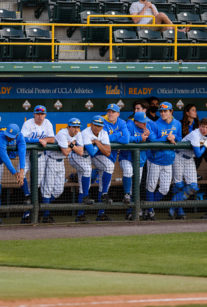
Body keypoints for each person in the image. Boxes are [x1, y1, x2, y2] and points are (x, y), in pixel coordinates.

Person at [41, 117, 90, 223]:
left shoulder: (78, 134)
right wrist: (73, 145)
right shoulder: (62, 133)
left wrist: (71, 144)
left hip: (61, 162)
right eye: (74, 127)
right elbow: (66, 152)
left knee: (59, 190)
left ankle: (42, 206)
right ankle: (46, 215)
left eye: (78, 127)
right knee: (48, 189)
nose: (76, 129)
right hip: (51, 160)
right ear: (69, 127)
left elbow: (81, 152)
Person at [146, 102, 182, 220]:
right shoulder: (155, 124)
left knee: (165, 189)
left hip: (169, 160)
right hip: (155, 160)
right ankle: (150, 211)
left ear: (171, 112)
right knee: (151, 186)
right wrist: (167, 139)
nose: (162, 113)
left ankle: (145, 207)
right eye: (161, 111)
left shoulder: (177, 123)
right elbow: (152, 141)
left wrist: (174, 138)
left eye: (165, 111)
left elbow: (180, 139)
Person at [119, 112, 156, 220]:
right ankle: (126, 195)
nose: (145, 124)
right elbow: (126, 139)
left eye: (145, 122)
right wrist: (139, 139)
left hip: (140, 161)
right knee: (128, 172)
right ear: (136, 122)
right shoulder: (129, 125)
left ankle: (132, 211)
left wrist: (149, 136)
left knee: (136, 187)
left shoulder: (147, 126)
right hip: (126, 158)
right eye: (142, 122)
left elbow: (153, 139)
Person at [171, 118, 207, 219]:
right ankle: (179, 211)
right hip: (179, 156)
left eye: (206, 127)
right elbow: (199, 154)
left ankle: (173, 204)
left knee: (194, 186)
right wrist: (205, 145)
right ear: (199, 126)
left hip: (189, 159)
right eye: (203, 126)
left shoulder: (205, 136)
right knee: (179, 185)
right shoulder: (195, 134)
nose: (204, 129)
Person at [21, 105, 55, 206]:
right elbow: (23, 139)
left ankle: (31, 203)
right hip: (27, 154)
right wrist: (38, 140)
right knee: (20, 174)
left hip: (40, 156)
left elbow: (52, 139)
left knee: (37, 182)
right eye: (38, 114)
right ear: (34, 114)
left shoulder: (47, 123)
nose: (40, 116)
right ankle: (27, 195)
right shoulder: (28, 123)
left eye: (42, 114)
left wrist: (45, 140)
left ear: (45, 115)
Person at [101, 103, 130, 219]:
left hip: (112, 157)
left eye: (113, 112)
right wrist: (119, 134)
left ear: (118, 114)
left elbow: (126, 139)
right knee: (103, 188)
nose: (110, 114)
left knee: (103, 187)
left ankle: (101, 214)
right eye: (109, 111)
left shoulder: (122, 122)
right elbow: (104, 139)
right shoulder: (102, 122)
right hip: (101, 156)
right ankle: (97, 213)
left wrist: (113, 136)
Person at [81, 115, 112, 221]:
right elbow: (92, 152)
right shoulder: (86, 132)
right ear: (91, 124)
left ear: (102, 126)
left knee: (109, 166)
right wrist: (101, 146)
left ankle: (104, 194)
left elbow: (108, 152)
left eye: (99, 125)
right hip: (81, 156)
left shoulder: (103, 133)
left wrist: (98, 143)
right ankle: (80, 215)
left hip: (94, 156)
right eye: (95, 125)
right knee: (86, 175)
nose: (96, 127)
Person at [0, 124, 26, 223]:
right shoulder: (1, 136)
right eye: (8, 135)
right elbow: (4, 157)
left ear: (16, 135)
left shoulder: (20, 136)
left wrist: (22, 171)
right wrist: (16, 174)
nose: (8, 138)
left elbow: (22, 153)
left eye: (11, 136)